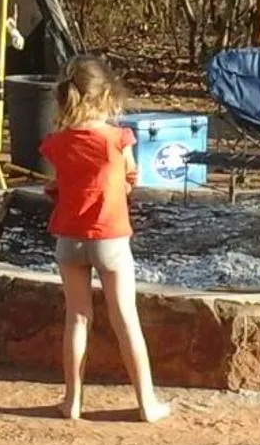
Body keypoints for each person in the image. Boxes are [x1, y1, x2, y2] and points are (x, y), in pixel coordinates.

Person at [40, 55, 170, 423]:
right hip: (110, 236)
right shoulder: (118, 138)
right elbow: (130, 178)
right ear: (106, 97)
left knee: (77, 318)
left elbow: (58, 184)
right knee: (125, 316)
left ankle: (72, 401)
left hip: (69, 239)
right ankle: (147, 402)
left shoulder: (57, 143)